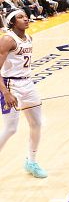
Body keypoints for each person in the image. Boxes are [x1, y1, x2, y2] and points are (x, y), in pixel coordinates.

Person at [0, 9, 47, 178]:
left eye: (25, 16)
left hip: (27, 82)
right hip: (10, 85)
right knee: (11, 128)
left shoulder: (29, 38)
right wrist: (5, 92)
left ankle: (31, 162)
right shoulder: (7, 40)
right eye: (20, 17)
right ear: (12, 22)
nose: (26, 18)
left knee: (37, 123)